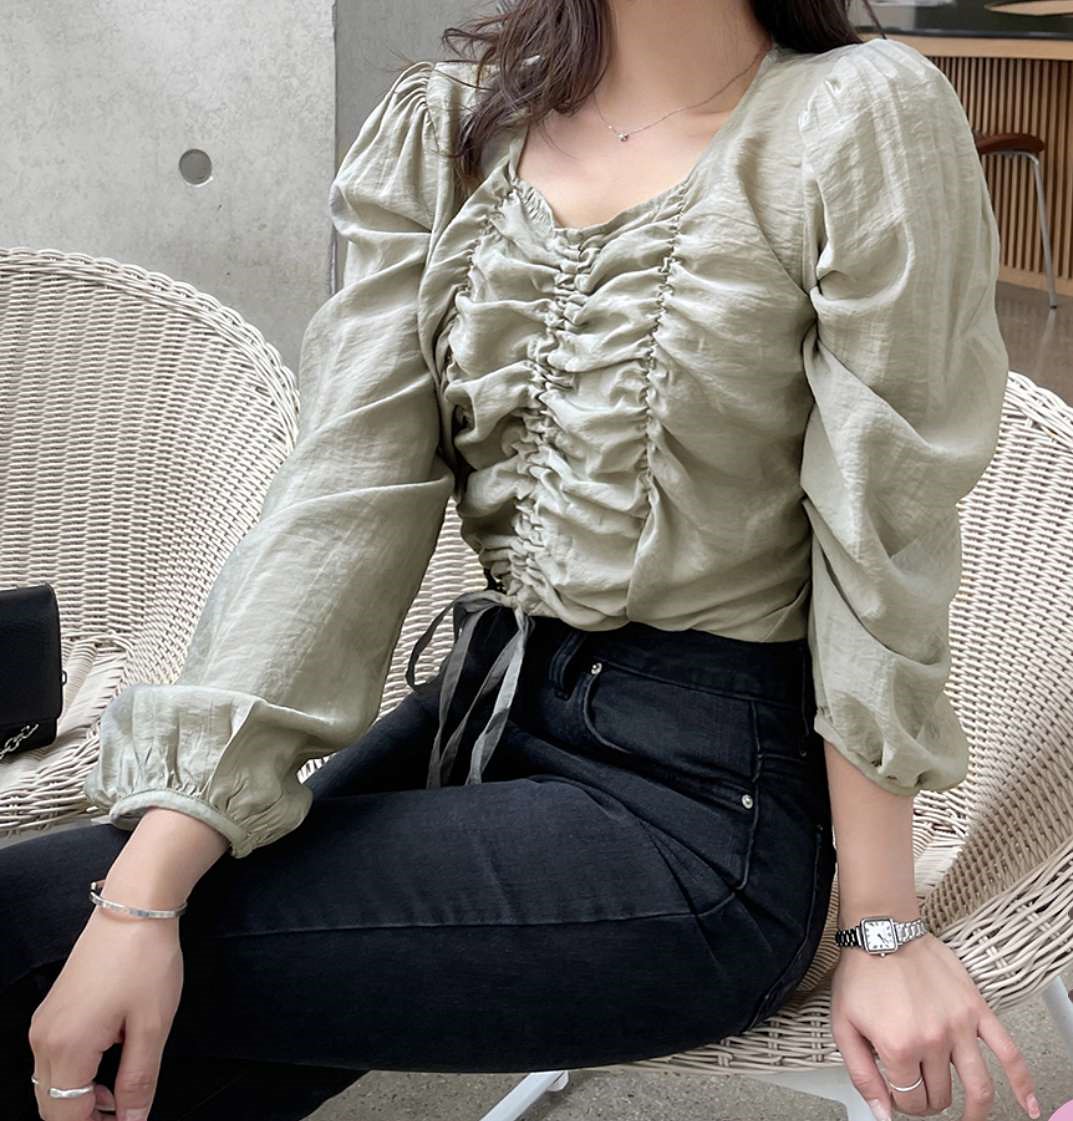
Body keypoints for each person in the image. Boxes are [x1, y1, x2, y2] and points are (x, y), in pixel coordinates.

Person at [0, 2, 1041, 1120]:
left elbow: (880, 535)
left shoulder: (853, 116)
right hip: (485, 709)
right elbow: (342, 503)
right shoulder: (455, 127)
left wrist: (880, 927)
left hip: (702, 812)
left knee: (30, 936)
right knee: (109, 1041)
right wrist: (150, 876)